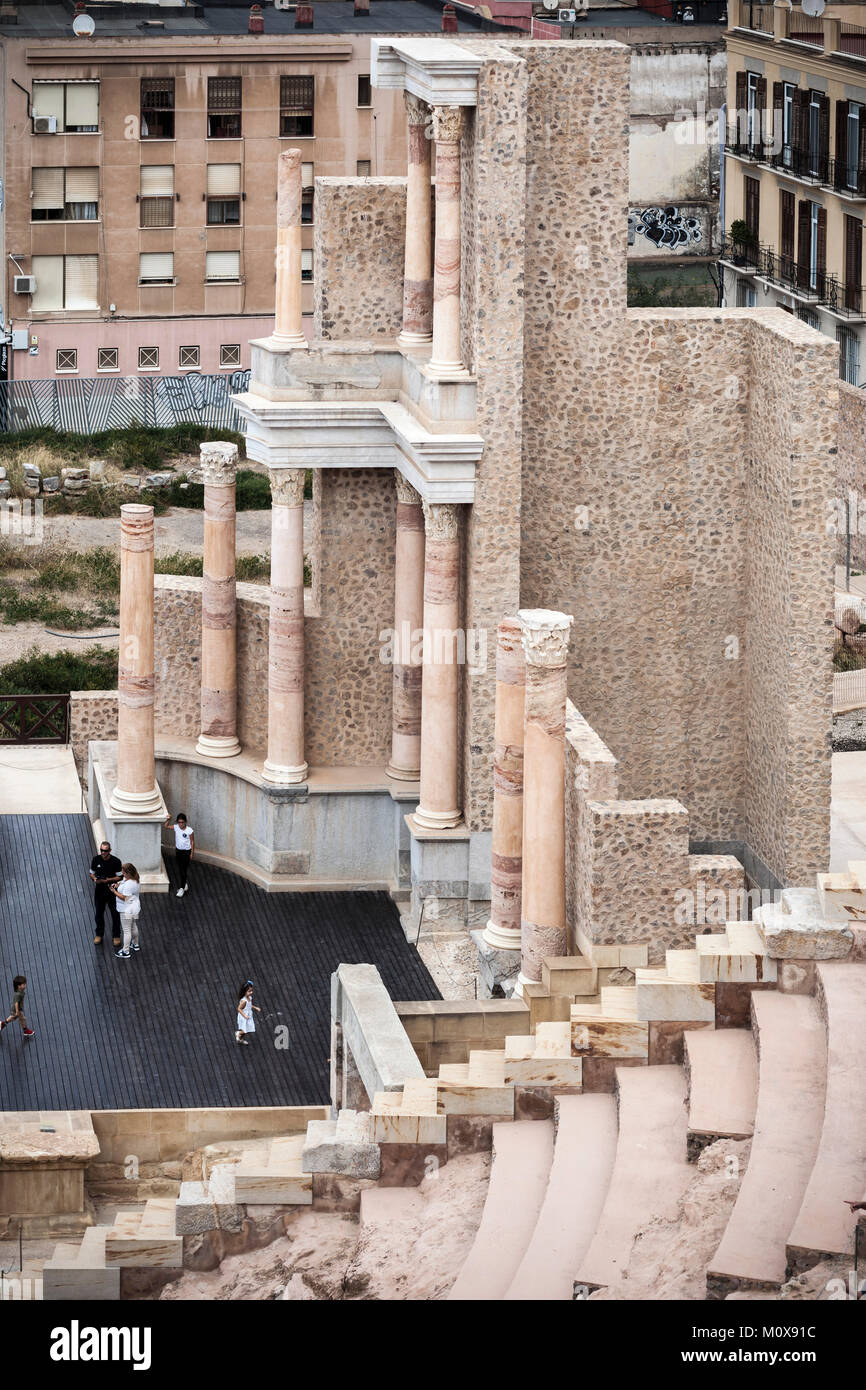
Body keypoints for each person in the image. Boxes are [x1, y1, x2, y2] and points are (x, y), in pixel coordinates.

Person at [89, 840, 123, 947]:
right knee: (99, 914)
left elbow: (120, 877)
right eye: (101, 850)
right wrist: (95, 879)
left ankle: (116, 936)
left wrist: (108, 880)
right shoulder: (96, 859)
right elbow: (91, 873)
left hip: (112, 891)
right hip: (99, 891)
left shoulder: (116, 861)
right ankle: (99, 934)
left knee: (115, 914)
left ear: (110, 850)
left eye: (105, 851)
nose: (103, 853)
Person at [111, 864, 141, 960]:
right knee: (133, 926)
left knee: (127, 930)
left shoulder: (129, 884)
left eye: (124, 872)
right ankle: (135, 944)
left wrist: (114, 891)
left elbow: (125, 898)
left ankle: (125, 951)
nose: (122, 874)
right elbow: (123, 882)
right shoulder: (135, 880)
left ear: (128, 873)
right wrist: (117, 885)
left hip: (126, 909)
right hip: (135, 907)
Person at [164, 812, 194, 898]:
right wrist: (168, 819)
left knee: (183, 870)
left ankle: (181, 888)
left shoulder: (189, 830)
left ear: (185, 822)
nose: (181, 824)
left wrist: (191, 853)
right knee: (180, 869)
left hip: (186, 852)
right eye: (179, 822)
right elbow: (166, 826)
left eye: (182, 822)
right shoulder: (176, 827)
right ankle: (184, 884)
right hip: (178, 851)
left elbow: (192, 841)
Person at [235, 980, 261, 1045]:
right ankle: (238, 1033)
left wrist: (256, 1008)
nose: (251, 992)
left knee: (248, 1029)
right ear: (244, 992)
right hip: (244, 1016)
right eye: (249, 991)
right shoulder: (244, 1001)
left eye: (252, 991)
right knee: (245, 1030)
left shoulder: (249, 998)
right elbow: (239, 1009)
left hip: (248, 1015)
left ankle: (240, 1039)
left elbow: (249, 1005)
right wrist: (244, 1016)